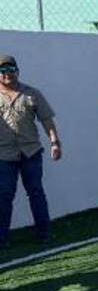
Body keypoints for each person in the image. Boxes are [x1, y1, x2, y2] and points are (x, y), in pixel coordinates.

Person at [0, 55, 62, 249]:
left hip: (31, 152)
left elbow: (46, 120)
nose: (7, 74)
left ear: (17, 71)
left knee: (35, 192)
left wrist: (54, 142)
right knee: (4, 195)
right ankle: (2, 238)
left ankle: (44, 233)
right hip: (4, 155)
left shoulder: (32, 93)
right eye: (2, 71)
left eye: (11, 70)